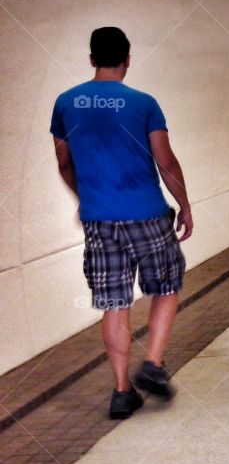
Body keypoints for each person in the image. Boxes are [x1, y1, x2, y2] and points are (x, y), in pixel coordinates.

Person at [50, 26, 192, 419]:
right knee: (166, 286)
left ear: (92, 59)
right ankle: (153, 365)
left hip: (100, 221)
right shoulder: (143, 103)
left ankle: (121, 391)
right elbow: (165, 161)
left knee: (114, 303)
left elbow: (64, 163)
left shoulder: (65, 103)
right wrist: (185, 204)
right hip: (147, 214)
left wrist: (87, 198)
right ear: (127, 59)